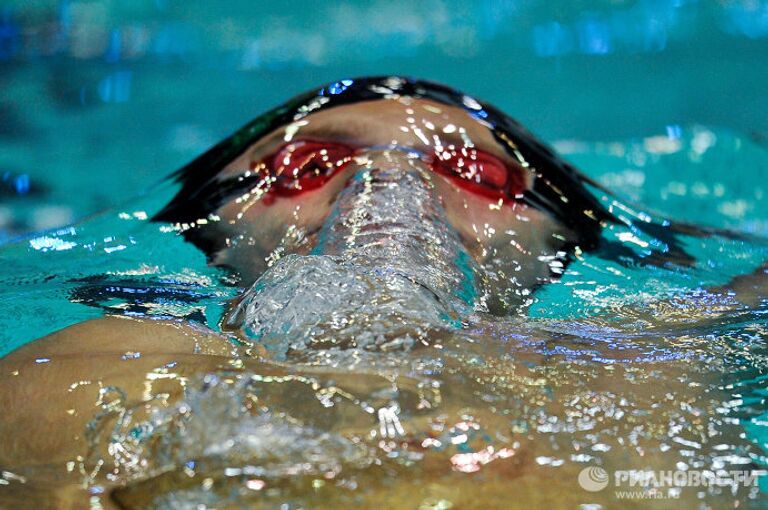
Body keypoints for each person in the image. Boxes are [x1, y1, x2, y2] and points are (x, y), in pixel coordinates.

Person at [1, 77, 765, 509]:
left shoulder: (660, 352)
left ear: (561, 247)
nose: (390, 185)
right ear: (211, 232)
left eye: (478, 176)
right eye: (302, 169)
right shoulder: (98, 371)